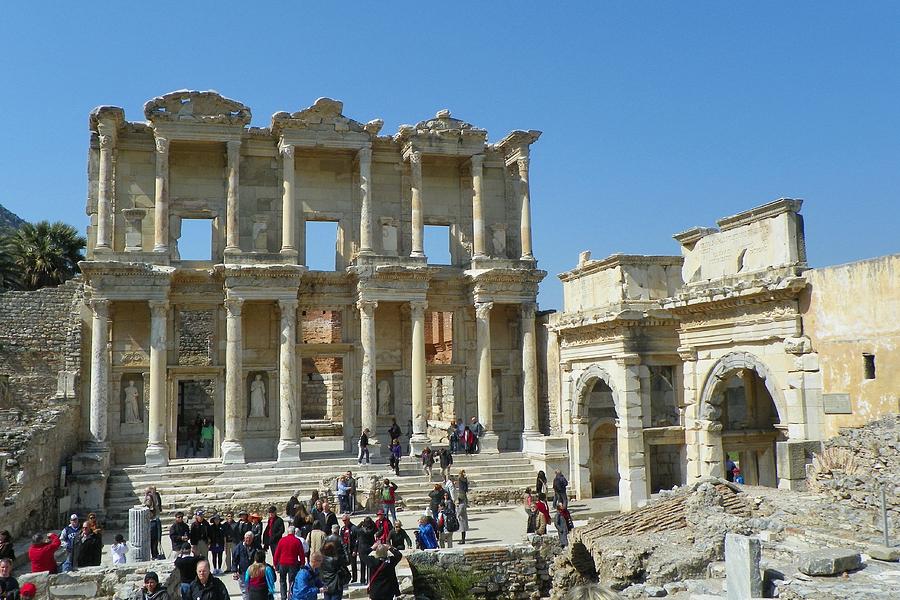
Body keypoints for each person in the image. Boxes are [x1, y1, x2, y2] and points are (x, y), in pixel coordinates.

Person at [273, 525, 305, 600]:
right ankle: (290, 597)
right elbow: (301, 554)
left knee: (282, 581)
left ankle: (283, 597)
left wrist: (275, 563)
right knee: (292, 581)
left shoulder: (282, 540)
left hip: (282, 563)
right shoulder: (297, 541)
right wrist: (302, 563)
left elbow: (277, 553)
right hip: (293, 563)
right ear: (294, 532)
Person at [231, 532, 256, 600]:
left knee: (253, 590)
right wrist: (235, 571)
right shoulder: (239, 547)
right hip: (243, 572)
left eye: (250, 539)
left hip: (253, 572)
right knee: (245, 591)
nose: (248, 540)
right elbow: (234, 560)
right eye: (247, 538)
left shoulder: (256, 546)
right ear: (244, 538)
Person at [144, 485, 165, 560]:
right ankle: (155, 554)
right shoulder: (156, 495)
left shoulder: (149, 497)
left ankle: (154, 555)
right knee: (156, 539)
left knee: (153, 539)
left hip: (152, 521)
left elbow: (146, 507)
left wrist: (146, 497)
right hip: (156, 519)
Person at [355, 517, 376, 585]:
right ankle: (369, 579)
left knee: (362, 565)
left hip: (362, 548)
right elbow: (376, 529)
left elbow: (355, 529)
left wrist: (361, 523)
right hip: (369, 548)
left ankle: (362, 580)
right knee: (369, 564)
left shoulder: (360, 530)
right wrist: (373, 523)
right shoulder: (371, 530)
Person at [339, 514, 358, 584]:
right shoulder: (343, 529)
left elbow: (357, 540)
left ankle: (355, 578)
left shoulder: (354, 528)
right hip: (345, 549)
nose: (344, 522)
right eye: (343, 520)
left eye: (345, 520)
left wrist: (355, 550)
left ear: (348, 520)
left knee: (353, 564)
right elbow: (341, 539)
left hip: (352, 549)